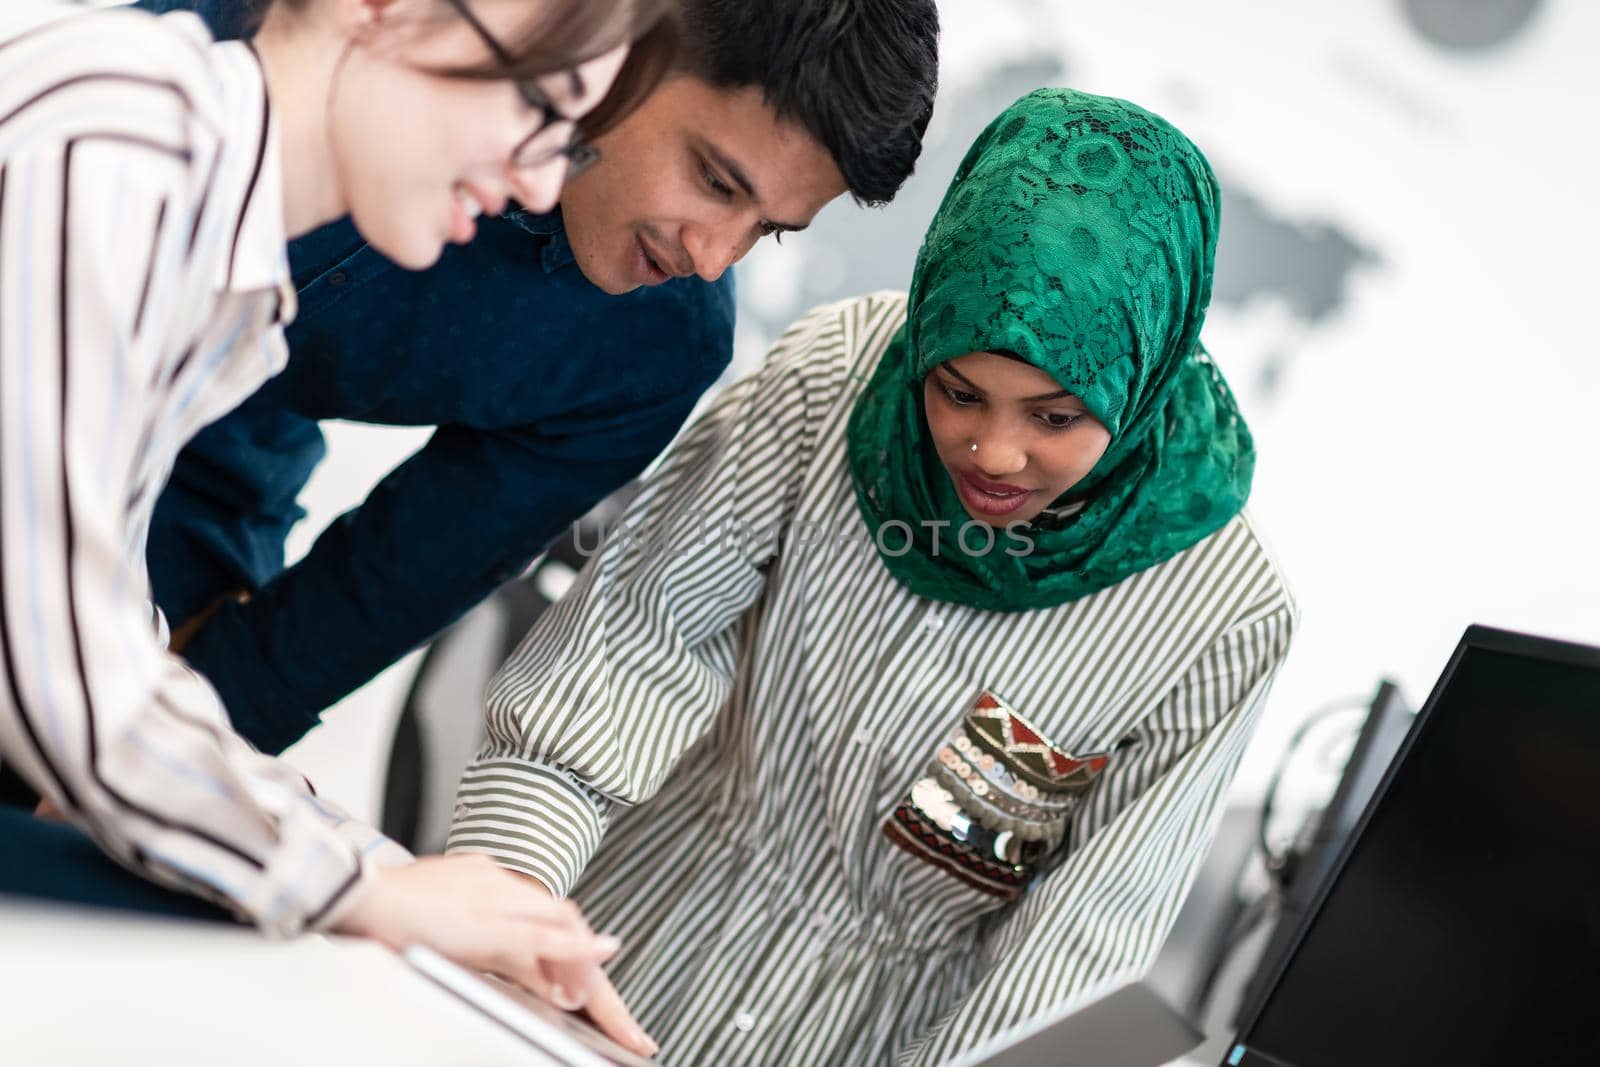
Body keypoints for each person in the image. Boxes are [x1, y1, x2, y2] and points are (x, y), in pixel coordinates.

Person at [446, 89, 1298, 1065]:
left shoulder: (1222, 613)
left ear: (1141, 376)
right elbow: (629, 650)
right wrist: (504, 901)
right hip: (609, 959)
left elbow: (1076, 940)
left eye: (1054, 418)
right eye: (957, 390)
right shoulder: (833, 376)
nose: (993, 452)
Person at [0, 0, 672, 1052]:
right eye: (537, 104)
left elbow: (102, 637)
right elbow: (67, 685)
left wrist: (405, 881)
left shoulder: (222, 262)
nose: (543, 184)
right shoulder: (118, 145)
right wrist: (371, 886)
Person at [126, 0, 942, 758]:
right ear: (632, 42)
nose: (711, 254)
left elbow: (350, 610)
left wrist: (169, 757)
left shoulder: (658, 345)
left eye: (765, 228)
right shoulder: (270, 35)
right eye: (717, 181)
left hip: (201, 486)